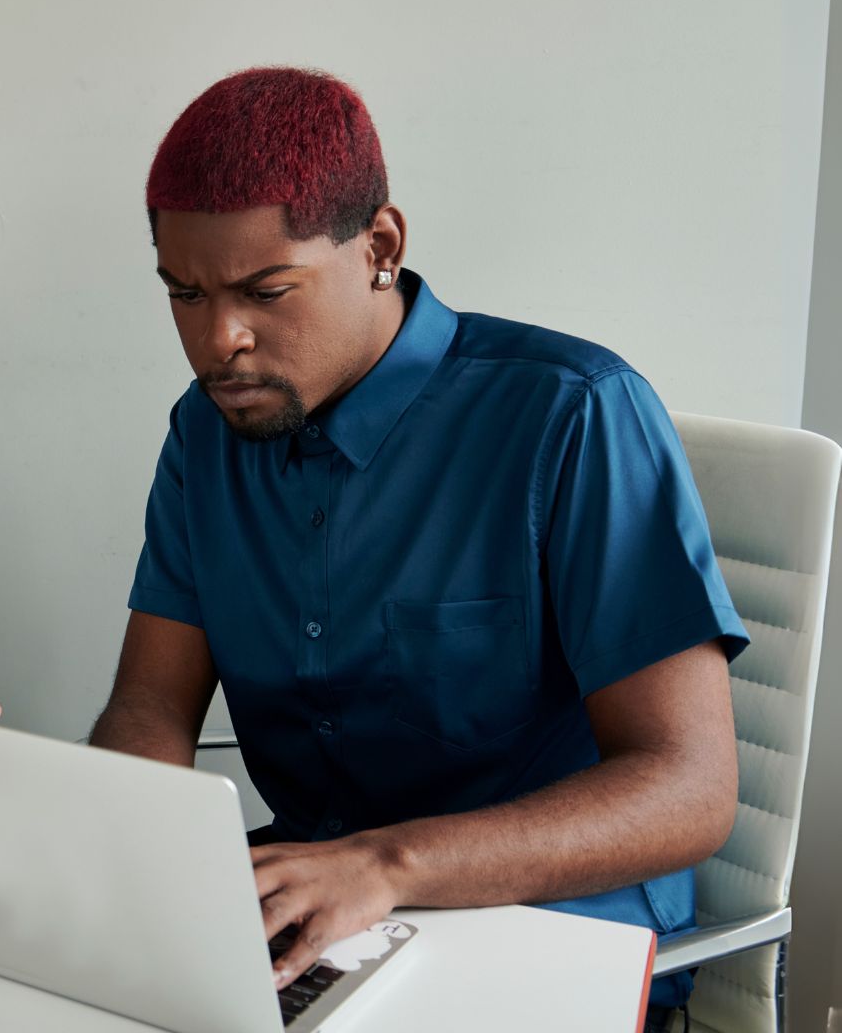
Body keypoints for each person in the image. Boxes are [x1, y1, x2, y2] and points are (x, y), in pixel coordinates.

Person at [89, 67, 744, 1023]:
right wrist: (110, 857)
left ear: (381, 246)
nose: (217, 338)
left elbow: (690, 789)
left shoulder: (573, 415)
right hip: (322, 917)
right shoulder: (204, 436)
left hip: (557, 929)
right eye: (183, 294)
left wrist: (386, 866)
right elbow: (150, 706)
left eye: (265, 290)